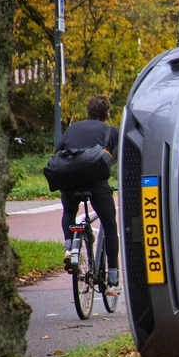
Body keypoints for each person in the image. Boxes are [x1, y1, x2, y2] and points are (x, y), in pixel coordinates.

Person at [57, 95, 121, 294]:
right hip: (95, 183)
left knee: (69, 210)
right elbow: (117, 159)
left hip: (69, 179)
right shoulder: (111, 131)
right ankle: (112, 274)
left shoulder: (73, 128)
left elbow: (58, 151)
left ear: (88, 112)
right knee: (109, 223)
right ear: (107, 114)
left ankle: (70, 247)